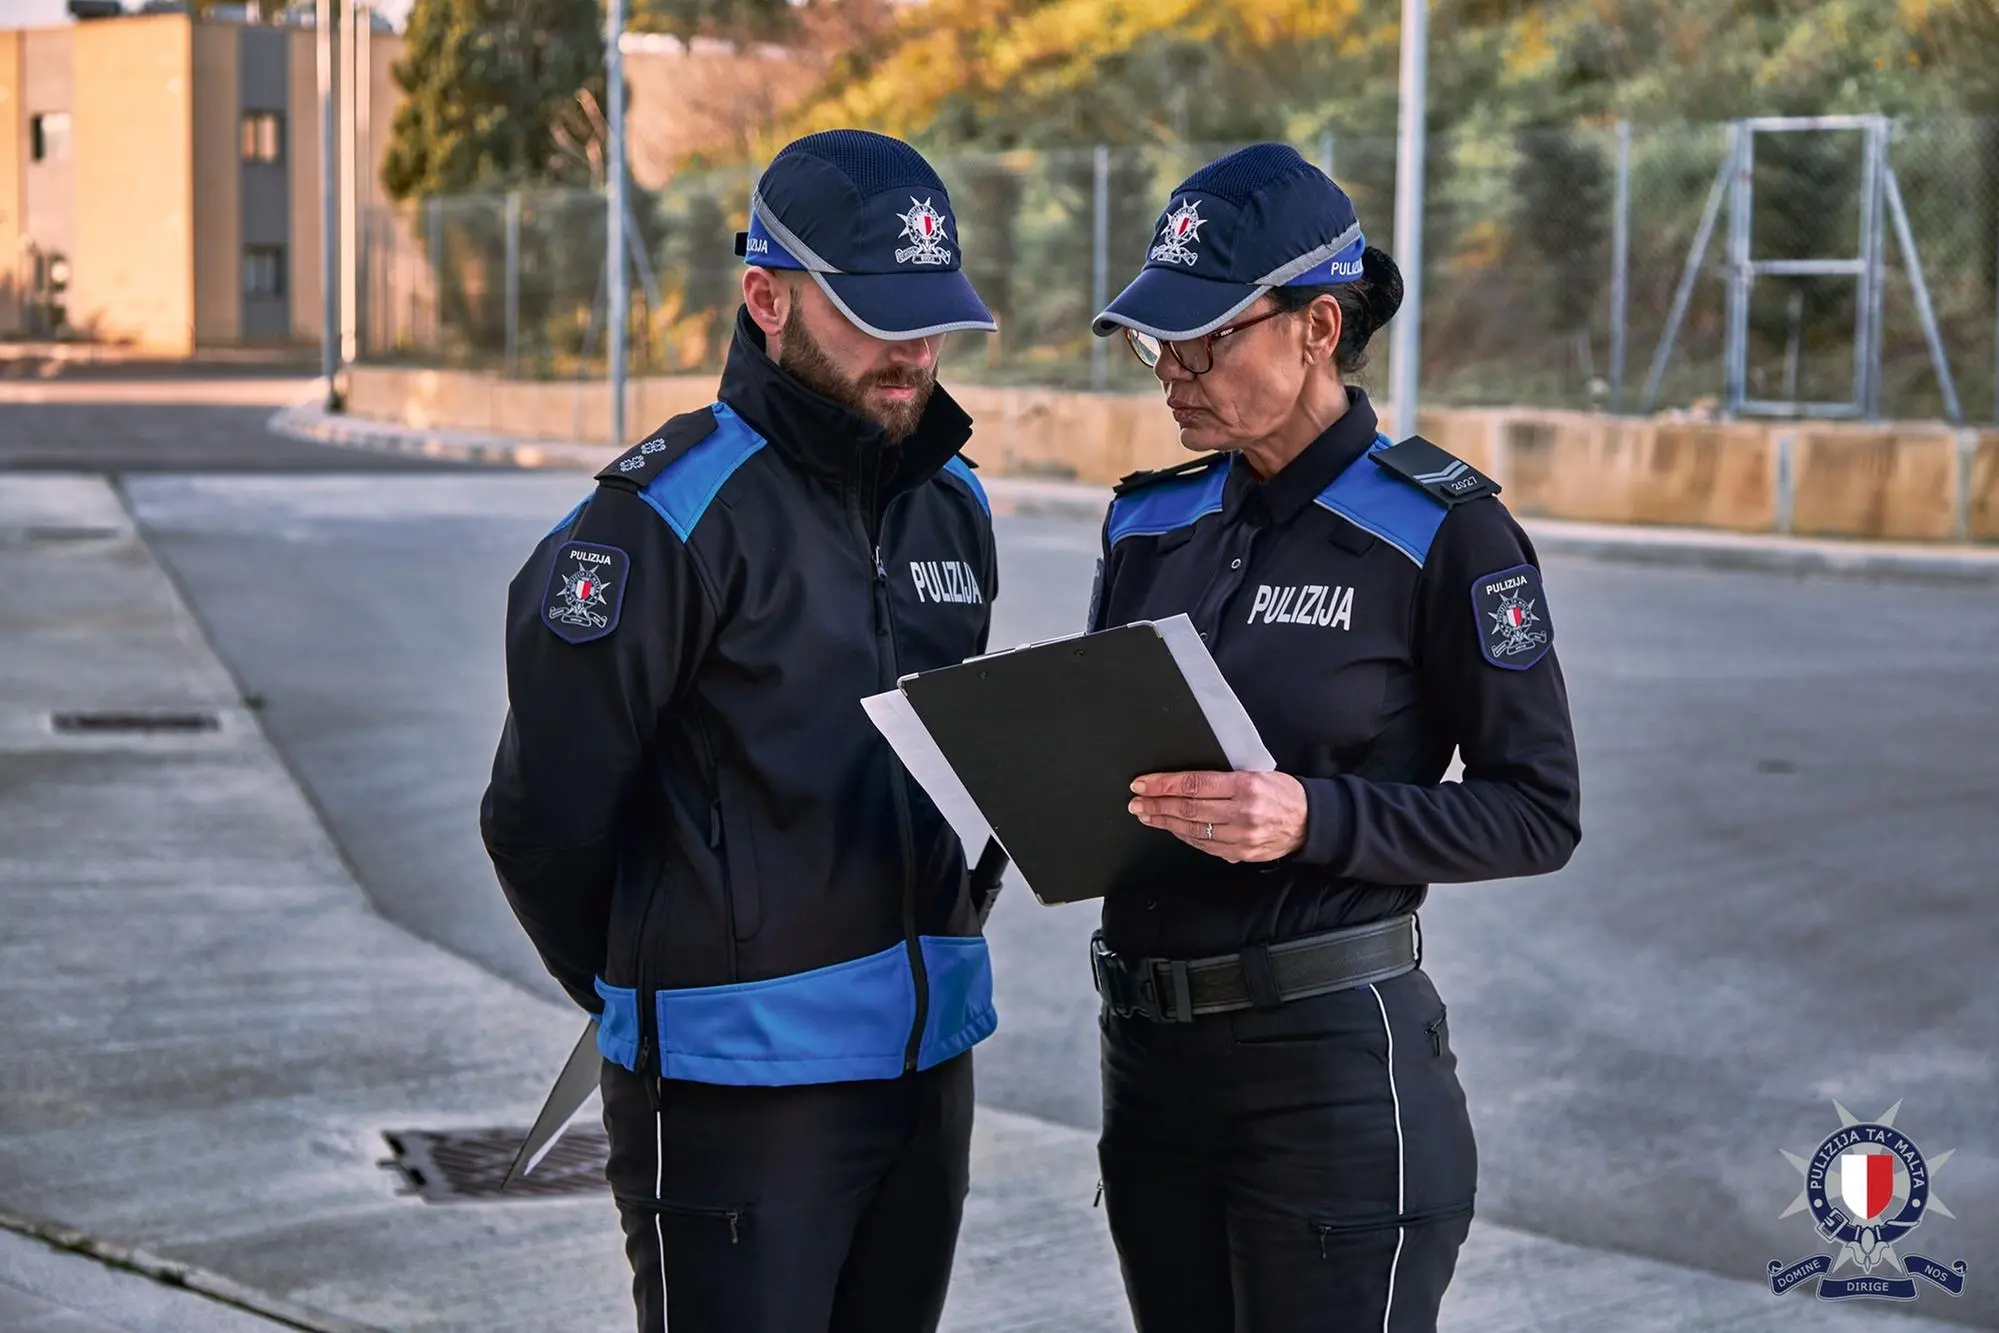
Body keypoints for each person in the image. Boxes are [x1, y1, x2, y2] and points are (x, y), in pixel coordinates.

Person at [479, 129, 1008, 1333]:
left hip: (929, 1074)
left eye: (934, 314)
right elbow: (541, 820)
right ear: (766, 299)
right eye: (877, 313)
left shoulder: (954, 504)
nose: (916, 347)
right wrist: (660, 993)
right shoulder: (659, 521)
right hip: (736, 1095)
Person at [1083, 142, 1583, 1332]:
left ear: (1315, 326)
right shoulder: (1149, 523)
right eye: (1156, 343)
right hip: (1150, 1069)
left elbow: (1537, 808)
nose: (1173, 375)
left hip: (1329, 1078)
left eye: (1207, 341)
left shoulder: (1439, 530)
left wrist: (1313, 814)